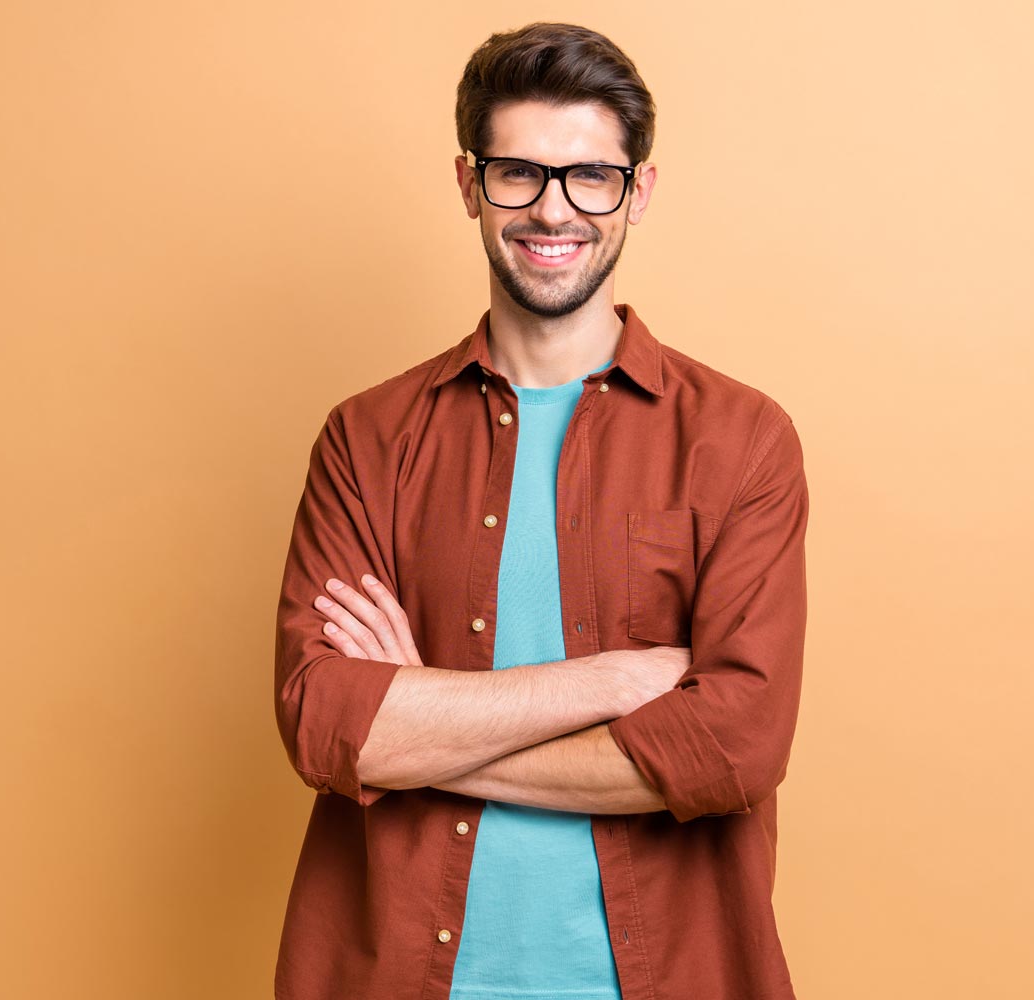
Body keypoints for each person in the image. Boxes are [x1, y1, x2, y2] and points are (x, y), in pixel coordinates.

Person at [271, 22, 810, 1000]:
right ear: (470, 184)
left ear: (635, 191)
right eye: (517, 172)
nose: (552, 209)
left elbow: (732, 749)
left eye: (589, 176)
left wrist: (418, 725)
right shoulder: (368, 438)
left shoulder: (740, 440)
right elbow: (327, 728)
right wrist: (612, 679)